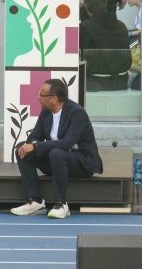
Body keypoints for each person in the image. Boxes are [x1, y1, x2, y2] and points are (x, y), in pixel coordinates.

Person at [11, 79, 103, 219]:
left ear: (53, 99)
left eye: (42, 95)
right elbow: (35, 136)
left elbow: (67, 143)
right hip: (58, 161)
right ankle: (35, 201)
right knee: (22, 151)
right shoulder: (46, 112)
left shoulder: (77, 113)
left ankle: (61, 204)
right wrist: (30, 145)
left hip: (81, 162)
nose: (38, 98)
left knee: (56, 153)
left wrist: (36, 145)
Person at [81, 0, 132, 90]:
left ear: (85, 6)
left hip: (93, 84)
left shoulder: (83, 28)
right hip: (121, 82)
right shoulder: (122, 26)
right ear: (105, 3)